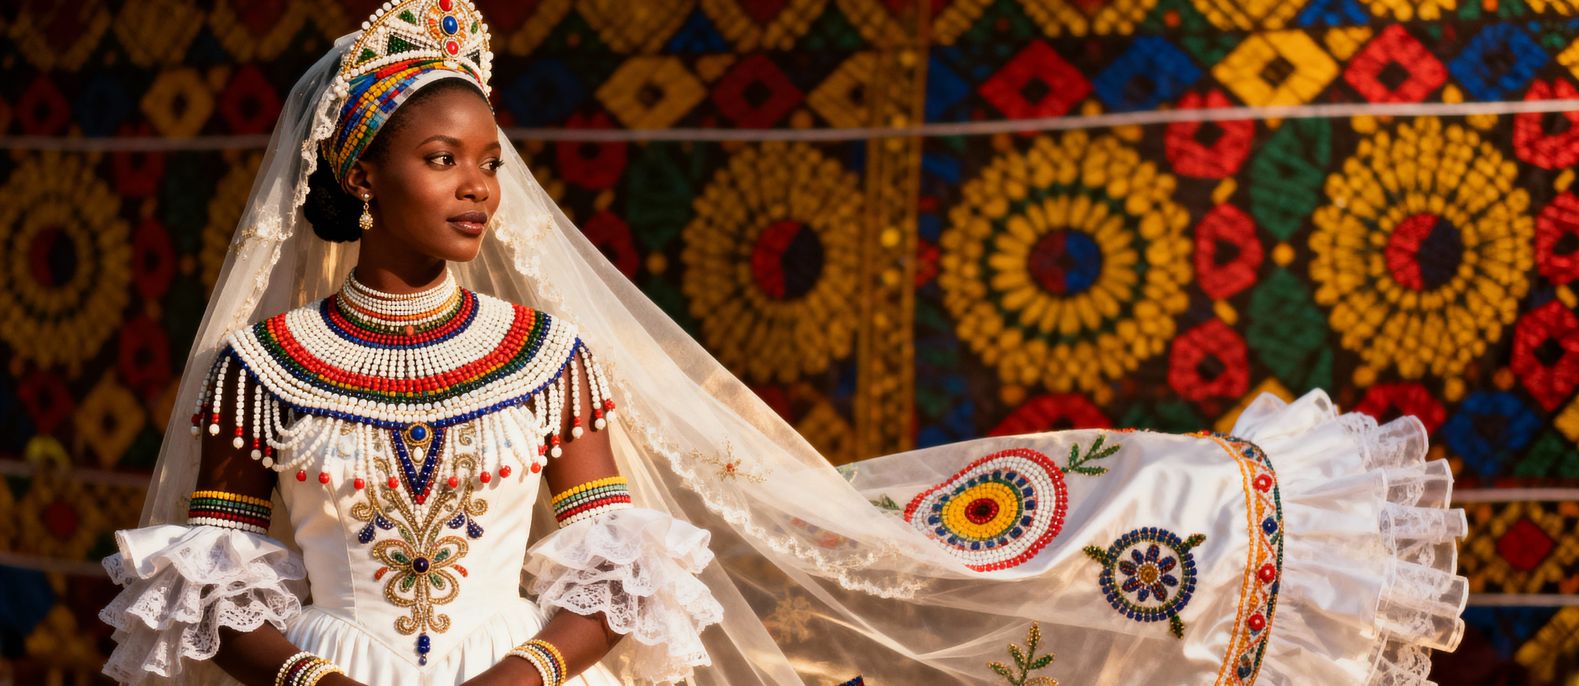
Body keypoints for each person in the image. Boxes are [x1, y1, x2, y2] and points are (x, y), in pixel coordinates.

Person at [99, 1, 1469, 684]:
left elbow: (614, 553)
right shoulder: (264, 368)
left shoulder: (541, 356)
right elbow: (220, 566)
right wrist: (296, 666)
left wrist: (533, 663)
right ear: (357, 178)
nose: (476, 187)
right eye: (441, 159)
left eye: (488, 161)